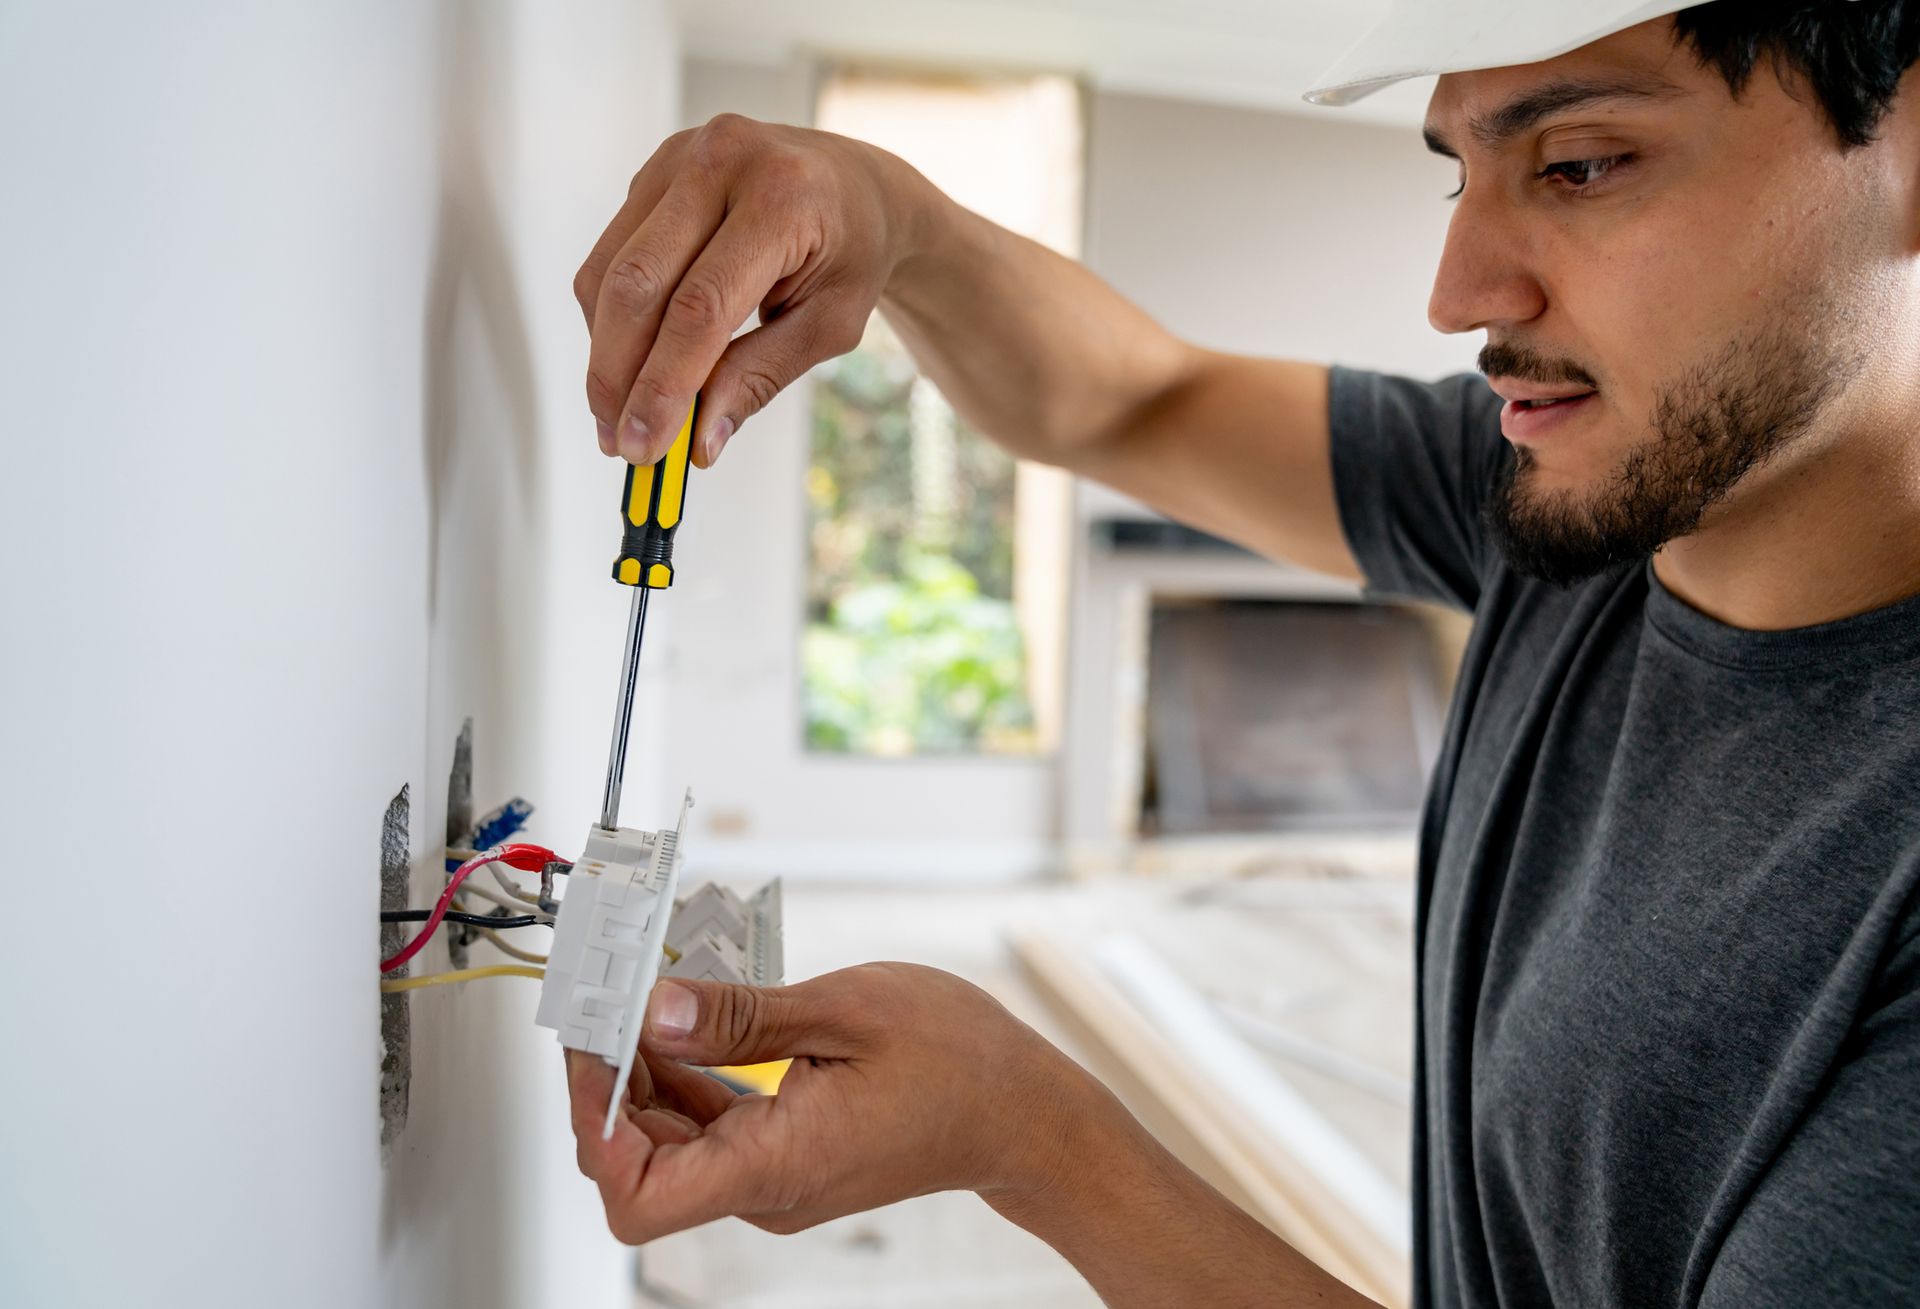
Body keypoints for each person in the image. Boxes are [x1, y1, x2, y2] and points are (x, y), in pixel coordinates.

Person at [564, 3, 1920, 1303]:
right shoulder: (1563, 496)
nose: (1458, 296)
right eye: (1461, 176)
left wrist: (1036, 1139)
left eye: (1582, 163)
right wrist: (893, 217)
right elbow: (1129, 397)